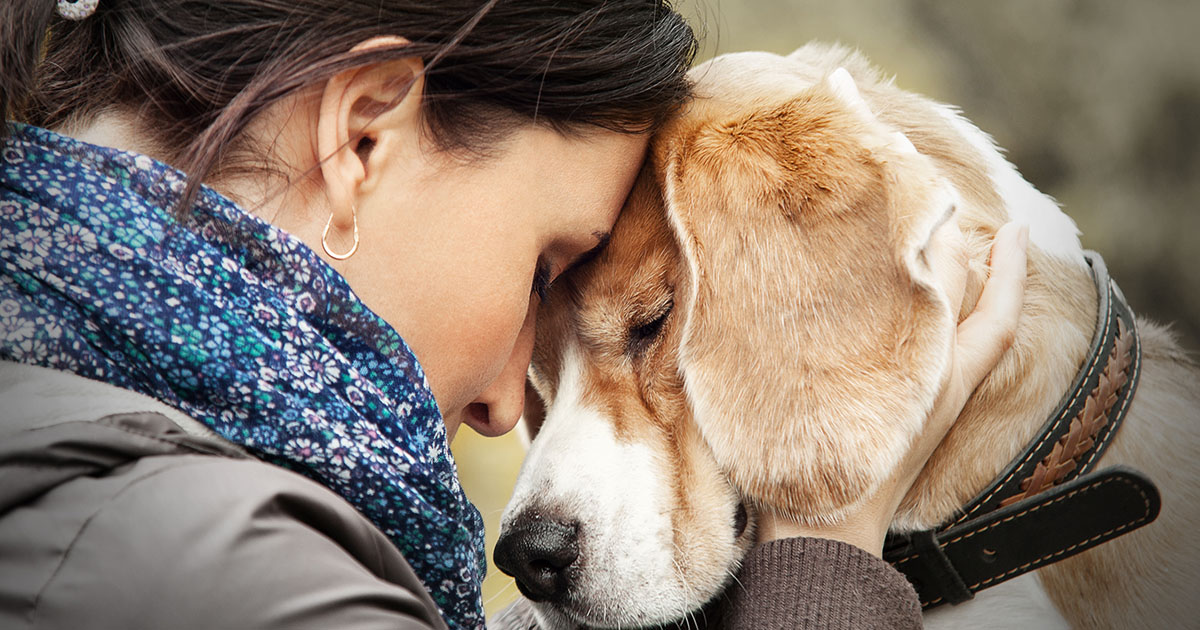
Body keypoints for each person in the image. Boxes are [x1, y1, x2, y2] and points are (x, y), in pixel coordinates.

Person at [0, 0, 1027, 628]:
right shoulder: (235, 578)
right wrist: (828, 558)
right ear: (360, 138)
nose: (504, 407)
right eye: (548, 268)